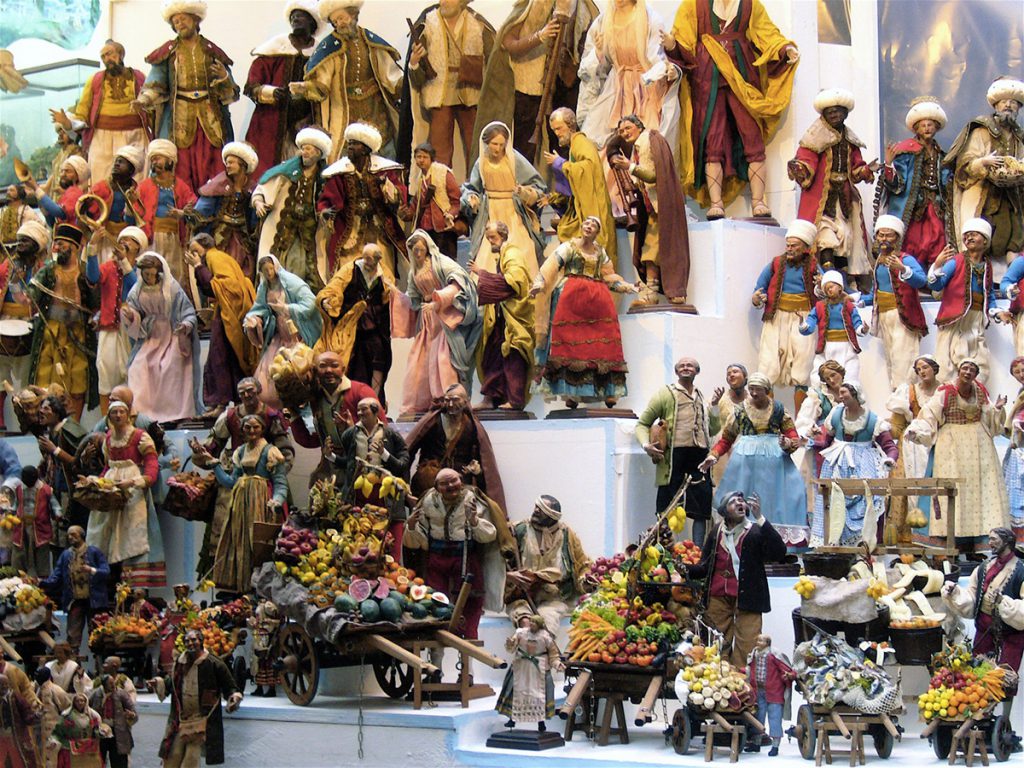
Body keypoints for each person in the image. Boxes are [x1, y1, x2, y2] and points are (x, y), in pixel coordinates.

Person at [665, 0, 798, 219]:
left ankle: (758, 201)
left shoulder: (749, 4)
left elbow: (767, 34)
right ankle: (716, 203)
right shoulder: (693, 5)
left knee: (752, 136)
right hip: (707, 81)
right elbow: (683, 41)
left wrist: (785, 49)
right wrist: (672, 45)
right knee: (711, 139)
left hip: (743, 80)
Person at [191, 377, 293, 580]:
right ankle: (231, 577)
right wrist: (206, 455)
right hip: (236, 480)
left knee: (268, 534)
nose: (247, 395)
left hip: (267, 480)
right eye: (242, 392)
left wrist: (275, 472)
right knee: (226, 527)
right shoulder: (230, 417)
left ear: (258, 390)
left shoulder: (271, 415)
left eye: (250, 391)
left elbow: (285, 449)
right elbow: (214, 444)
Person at [135, 0, 240, 193]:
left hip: (210, 119)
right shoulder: (168, 52)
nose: (179, 24)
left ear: (195, 19)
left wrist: (224, 77)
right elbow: (156, 81)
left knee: (213, 161)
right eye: (175, 21)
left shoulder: (211, 50)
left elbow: (231, 93)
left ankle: (214, 209)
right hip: (178, 118)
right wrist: (144, 99)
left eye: (183, 19)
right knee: (180, 164)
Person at [474, 0, 598, 164]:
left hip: (564, 84)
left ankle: (565, 185)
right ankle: (526, 185)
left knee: (563, 142)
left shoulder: (583, 7)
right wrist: (539, 36)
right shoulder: (531, 5)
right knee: (525, 145)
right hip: (530, 85)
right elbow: (509, 42)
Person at [905, 359, 1009, 547]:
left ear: (976, 374)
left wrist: (998, 408)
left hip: (979, 445)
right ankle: (949, 541)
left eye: (972, 370)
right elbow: (929, 414)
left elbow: (989, 417)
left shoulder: (980, 391)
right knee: (952, 489)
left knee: (981, 489)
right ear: (959, 371)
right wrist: (917, 431)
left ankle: (979, 542)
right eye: (965, 368)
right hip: (951, 444)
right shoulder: (945, 391)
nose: (968, 372)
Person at [531, 216, 632, 408]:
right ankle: (572, 393)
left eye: (593, 225)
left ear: (597, 232)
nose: (589, 227)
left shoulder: (600, 252)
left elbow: (608, 275)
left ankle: (609, 391)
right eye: (587, 223)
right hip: (570, 299)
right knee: (569, 344)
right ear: (581, 227)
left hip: (598, 302)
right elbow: (552, 265)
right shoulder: (569, 247)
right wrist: (540, 283)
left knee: (602, 345)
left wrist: (624, 286)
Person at [698, 373, 808, 549]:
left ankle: (777, 545)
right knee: (743, 497)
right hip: (745, 464)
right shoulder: (740, 411)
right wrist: (713, 456)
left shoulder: (778, 409)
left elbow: (792, 435)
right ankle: (742, 542)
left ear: (767, 391)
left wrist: (788, 443)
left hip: (776, 464)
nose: (754, 394)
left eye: (758, 390)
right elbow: (727, 438)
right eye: (752, 390)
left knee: (786, 497)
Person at [404, 469, 511, 645]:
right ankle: (436, 644)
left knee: (471, 601)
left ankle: (468, 645)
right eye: (444, 484)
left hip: (466, 558)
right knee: (435, 601)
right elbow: (418, 539)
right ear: (437, 487)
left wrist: (474, 521)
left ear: (461, 481)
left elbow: (489, 534)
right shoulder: (428, 502)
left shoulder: (474, 500)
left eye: (454, 481)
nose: (450, 486)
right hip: (437, 559)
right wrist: (413, 526)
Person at [688, 492, 786, 667]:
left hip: (748, 598)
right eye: (733, 502)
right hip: (718, 597)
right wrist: (681, 569)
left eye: (742, 501)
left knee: (748, 646)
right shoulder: (716, 532)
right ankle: (719, 680)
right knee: (716, 645)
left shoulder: (755, 531)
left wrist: (761, 519)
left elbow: (779, 551)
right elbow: (704, 567)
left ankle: (742, 685)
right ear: (725, 511)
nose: (740, 504)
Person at [298, 0, 402, 161]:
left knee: (383, 147)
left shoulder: (370, 40)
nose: (339, 23)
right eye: (335, 21)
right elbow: (321, 81)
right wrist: (306, 88)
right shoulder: (329, 47)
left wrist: (403, 83)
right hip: (345, 110)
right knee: (346, 151)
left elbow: (389, 72)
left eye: (342, 17)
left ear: (353, 14)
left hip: (375, 107)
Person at [787, 88, 874, 278]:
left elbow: (856, 168)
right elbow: (805, 159)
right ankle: (827, 276)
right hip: (822, 197)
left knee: (846, 237)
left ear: (845, 113)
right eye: (830, 111)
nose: (834, 114)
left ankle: (844, 280)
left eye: (838, 111)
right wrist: (800, 168)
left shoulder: (850, 139)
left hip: (844, 197)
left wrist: (866, 171)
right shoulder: (815, 135)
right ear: (824, 114)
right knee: (825, 236)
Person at [401, 0, 496, 169]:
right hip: (439, 92)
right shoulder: (428, 24)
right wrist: (415, 61)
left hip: (470, 92)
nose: (443, 1)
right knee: (439, 147)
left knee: (475, 144)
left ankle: (476, 185)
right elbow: (417, 75)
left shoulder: (477, 23)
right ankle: (440, 186)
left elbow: (494, 61)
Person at [397, 230, 482, 416]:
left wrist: (438, 301)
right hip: (427, 321)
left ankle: (447, 397)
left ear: (427, 247)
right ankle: (423, 402)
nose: (418, 253)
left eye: (420, 249)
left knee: (442, 359)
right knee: (420, 360)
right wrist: (398, 296)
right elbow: (412, 296)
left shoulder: (440, 263)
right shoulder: (414, 271)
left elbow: (458, 283)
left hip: (444, 317)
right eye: (414, 250)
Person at [576, 0, 680, 152]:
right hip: (617, 88)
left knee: (646, 144)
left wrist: (665, 70)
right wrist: (599, 52)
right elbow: (591, 70)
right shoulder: (603, 21)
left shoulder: (650, 19)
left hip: (645, 88)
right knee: (603, 144)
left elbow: (657, 59)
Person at [612, 113, 691, 307]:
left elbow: (655, 176)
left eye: (628, 128)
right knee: (648, 250)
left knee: (651, 250)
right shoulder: (637, 147)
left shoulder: (649, 141)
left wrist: (630, 167)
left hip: (660, 206)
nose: (624, 133)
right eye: (621, 131)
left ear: (639, 126)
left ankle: (656, 292)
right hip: (651, 208)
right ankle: (651, 292)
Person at [202, 414, 287, 594]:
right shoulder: (240, 452)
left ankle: (260, 588)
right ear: (242, 430)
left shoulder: (270, 451)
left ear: (262, 429)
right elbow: (231, 481)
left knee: (256, 543)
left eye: (255, 427)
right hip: (240, 504)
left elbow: (280, 482)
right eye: (247, 427)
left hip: (261, 502)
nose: (252, 431)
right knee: (238, 541)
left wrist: (277, 500)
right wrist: (215, 466)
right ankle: (241, 586)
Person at [941, 527, 1024, 710]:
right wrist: (955, 592)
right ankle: (980, 711)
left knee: (1007, 678)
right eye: (990, 539)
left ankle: (1005, 720)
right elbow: (972, 595)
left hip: (1011, 633)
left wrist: (1003, 602)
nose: (990, 543)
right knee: (976, 671)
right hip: (984, 628)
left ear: (1007, 542)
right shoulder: (984, 568)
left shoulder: (1020, 570)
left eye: (994, 539)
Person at [636, 356, 716, 543]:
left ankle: (697, 552)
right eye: (682, 365)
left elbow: (713, 429)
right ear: (676, 371)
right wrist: (646, 445)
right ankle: (665, 549)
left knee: (701, 506)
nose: (686, 368)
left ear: (697, 371)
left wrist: (715, 408)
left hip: (700, 457)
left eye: (690, 365)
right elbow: (642, 423)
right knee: (667, 505)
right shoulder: (665, 394)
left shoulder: (701, 397)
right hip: (674, 457)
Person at [944, 76, 1024, 263]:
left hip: (1010, 196)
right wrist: (983, 162)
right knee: (981, 234)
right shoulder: (981, 130)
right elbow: (966, 162)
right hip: (984, 194)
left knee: (1013, 235)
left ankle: (1010, 279)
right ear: (996, 105)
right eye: (1004, 102)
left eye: (1013, 103)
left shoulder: (1019, 136)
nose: (1008, 106)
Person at [809, 382, 898, 547]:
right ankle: (834, 545)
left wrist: (890, 459)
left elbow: (889, 446)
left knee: (867, 501)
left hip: (864, 465)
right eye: (840, 393)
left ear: (856, 394)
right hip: (836, 464)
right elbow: (827, 441)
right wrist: (814, 440)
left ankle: (863, 546)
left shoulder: (873, 420)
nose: (840, 396)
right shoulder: (836, 415)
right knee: (832, 503)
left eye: (844, 393)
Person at [317, 122, 408, 280]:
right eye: (349, 143)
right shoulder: (341, 172)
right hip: (351, 228)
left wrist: (387, 187)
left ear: (366, 149)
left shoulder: (383, 170)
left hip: (378, 226)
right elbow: (328, 198)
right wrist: (325, 212)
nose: (350, 147)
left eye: (355, 144)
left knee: (384, 267)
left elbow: (398, 194)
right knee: (348, 269)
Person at [51, 39, 148, 186]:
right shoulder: (95, 80)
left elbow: (151, 105)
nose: (106, 59)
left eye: (109, 54)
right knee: (100, 181)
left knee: (137, 182)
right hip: (102, 139)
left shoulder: (139, 77)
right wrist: (68, 123)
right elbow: (82, 115)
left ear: (121, 54)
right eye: (103, 57)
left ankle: (135, 209)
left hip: (135, 136)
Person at [27, 224, 99, 421]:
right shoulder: (48, 271)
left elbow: (95, 300)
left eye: (61, 244)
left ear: (74, 246)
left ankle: (72, 426)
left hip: (79, 334)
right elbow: (29, 297)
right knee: (46, 379)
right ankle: (48, 422)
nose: (57, 248)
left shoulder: (85, 272)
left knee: (78, 382)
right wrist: (18, 285)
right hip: (51, 332)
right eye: (55, 243)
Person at [88, 400, 163, 585]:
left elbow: (152, 465)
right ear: (109, 417)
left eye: (122, 412)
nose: (118, 416)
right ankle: (108, 580)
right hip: (112, 491)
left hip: (134, 493)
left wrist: (137, 481)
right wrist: (98, 481)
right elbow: (108, 466)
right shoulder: (108, 438)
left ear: (128, 415)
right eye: (115, 413)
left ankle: (135, 584)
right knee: (105, 532)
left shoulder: (140, 436)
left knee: (133, 535)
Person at [243, 1, 321, 179]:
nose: (295, 19)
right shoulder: (275, 47)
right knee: (266, 168)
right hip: (272, 120)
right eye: (293, 17)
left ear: (312, 22)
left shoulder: (320, 52)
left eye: (300, 16)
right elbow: (252, 85)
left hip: (307, 120)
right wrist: (271, 92)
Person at [184, 234, 258, 418]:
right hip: (225, 312)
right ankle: (224, 402)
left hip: (229, 315)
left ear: (205, 246)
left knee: (220, 358)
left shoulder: (214, 257)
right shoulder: (215, 258)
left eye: (196, 250)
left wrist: (199, 267)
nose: (194, 254)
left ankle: (220, 403)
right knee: (224, 358)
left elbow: (225, 286)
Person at [123, 252, 202, 423]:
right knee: (138, 367)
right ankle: (143, 413)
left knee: (170, 367)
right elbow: (135, 314)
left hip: (171, 335)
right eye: (146, 274)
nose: (150, 278)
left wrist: (185, 325)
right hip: (150, 337)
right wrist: (131, 315)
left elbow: (188, 313)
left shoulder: (172, 289)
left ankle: (173, 413)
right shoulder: (136, 292)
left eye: (153, 274)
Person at [461, 121, 546, 280]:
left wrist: (524, 192)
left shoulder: (514, 159)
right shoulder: (481, 162)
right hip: (491, 212)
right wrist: (472, 199)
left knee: (522, 246)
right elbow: (472, 187)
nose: (498, 148)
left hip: (512, 212)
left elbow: (538, 186)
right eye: (494, 144)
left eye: (502, 144)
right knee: (487, 251)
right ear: (486, 142)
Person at [148, 628, 242, 768]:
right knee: (172, 758)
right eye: (187, 641)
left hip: (201, 722)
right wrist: (158, 683)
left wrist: (234, 697)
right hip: (181, 721)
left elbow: (230, 687)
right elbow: (171, 684)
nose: (190, 644)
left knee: (191, 761)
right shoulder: (180, 663)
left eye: (194, 640)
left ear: (201, 641)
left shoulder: (214, 664)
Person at [404, 383, 506, 511]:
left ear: (465, 401)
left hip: (459, 487)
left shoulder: (472, 426)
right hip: (432, 485)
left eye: (455, 400)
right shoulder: (433, 422)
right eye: (447, 400)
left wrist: (477, 471)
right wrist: (405, 484)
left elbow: (486, 464)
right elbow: (408, 451)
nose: (451, 404)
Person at [252, 127, 331, 290]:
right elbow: (261, 190)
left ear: (318, 152)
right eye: (303, 148)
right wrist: (258, 202)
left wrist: (325, 214)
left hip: (308, 235)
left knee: (304, 271)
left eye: (309, 149)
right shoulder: (286, 171)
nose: (305, 152)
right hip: (283, 230)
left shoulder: (324, 177)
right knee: (276, 268)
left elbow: (330, 201)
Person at [314, 243, 394, 402]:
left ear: (377, 260)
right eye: (365, 258)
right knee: (353, 362)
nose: (366, 262)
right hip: (351, 323)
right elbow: (331, 289)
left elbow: (390, 296)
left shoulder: (384, 274)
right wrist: (326, 302)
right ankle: (351, 400)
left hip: (375, 324)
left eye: (370, 259)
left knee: (379, 358)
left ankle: (375, 399)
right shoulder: (350, 270)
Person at [877, 98, 951, 271]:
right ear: (916, 128)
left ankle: (934, 273)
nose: (927, 128)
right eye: (923, 125)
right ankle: (912, 272)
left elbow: (946, 177)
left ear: (937, 127)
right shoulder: (906, 150)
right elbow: (896, 182)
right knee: (913, 238)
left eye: (930, 125)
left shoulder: (941, 154)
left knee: (937, 234)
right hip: (914, 204)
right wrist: (888, 165)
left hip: (935, 202)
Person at [286, 351, 380, 485]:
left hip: (363, 465)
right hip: (330, 467)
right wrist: (293, 414)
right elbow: (310, 440)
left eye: (334, 365)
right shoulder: (316, 398)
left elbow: (381, 431)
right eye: (323, 366)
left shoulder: (360, 391)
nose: (329, 370)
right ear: (315, 371)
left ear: (343, 369)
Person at [750, 219, 821, 399]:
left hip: (803, 318)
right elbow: (760, 286)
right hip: (776, 317)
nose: (789, 249)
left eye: (794, 246)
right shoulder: (776, 263)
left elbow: (827, 288)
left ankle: (802, 421)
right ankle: (768, 413)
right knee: (769, 363)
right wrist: (757, 298)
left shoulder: (813, 265)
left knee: (803, 364)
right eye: (788, 245)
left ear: (805, 247)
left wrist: (821, 285)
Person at [470, 221, 535, 411]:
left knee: (513, 355)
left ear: (503, 235)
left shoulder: (513, 253)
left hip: (514, 318)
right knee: (492, 354)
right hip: (501, 317)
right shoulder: (502, 255)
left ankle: (515, 400)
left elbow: (516, 282)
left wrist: (482, 275)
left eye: (493, 237)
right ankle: (491, 398)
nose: (491, 242)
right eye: (488, 238)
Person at [243, 254, 322, 409]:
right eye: (264, 271)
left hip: (295, 331)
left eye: (270, 269)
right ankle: (279, 405)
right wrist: (254, 318)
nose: (268, 273)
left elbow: (310, 303)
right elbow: (259, 308)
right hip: (279, 332)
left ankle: (300, 403)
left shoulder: (291, 283)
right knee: (271, 370)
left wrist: (287, 308)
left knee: (298, 366)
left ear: (276, 267)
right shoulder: (264, 287)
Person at [505, 495, 591, 635]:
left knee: (547, 624)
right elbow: (498, 561)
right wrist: (509, 576)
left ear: (553, 516)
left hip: (554, 598)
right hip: (521, 597)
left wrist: (586, 581)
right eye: (536, 507)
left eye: (542, 509)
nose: (536, 510)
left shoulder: (567, 535)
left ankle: (545, 653)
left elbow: (582, 565)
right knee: (525, 624)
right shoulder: (517, 530)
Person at [335, 397, 410, 557]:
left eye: (365, 409)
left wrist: (384, 454)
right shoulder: (350, 434)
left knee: (389, 540)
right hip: (360, 493)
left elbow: (403, 463)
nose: (360, 412)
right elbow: (348, 463)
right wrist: (330, 457)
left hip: (385, 493)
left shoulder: (390, 434)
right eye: (359, 409)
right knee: (361, 537)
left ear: (376, 411)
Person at [927, 218, 999, 382]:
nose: (969, 238)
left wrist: (996, 311)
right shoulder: (956, 260)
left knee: (978, 356)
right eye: (967, 236)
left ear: (985, 239)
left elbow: (989, 293)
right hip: (954, 318)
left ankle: (975, 394)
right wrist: (937, 265)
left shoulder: (987, 265)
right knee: (949, 358)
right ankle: (948, 393)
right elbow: (937, 284)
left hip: (976, 318)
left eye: (974, 235)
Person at [861, 215, 928, 389]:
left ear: (897, 238)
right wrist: (856, 299)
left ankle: (906, 403)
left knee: (904, 360)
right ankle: (898, 403)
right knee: (891, 360)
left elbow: (922, 280)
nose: (884, 239)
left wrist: (903, 269)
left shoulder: (905, 259)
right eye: (880, 235)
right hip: (884, 316)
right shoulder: (879, 262)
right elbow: (877, 289)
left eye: (888, 235)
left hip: (903, 317)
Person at [85, 226, 145, 415]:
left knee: (132, 373)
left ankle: (133, 416)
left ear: (138, 247)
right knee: (106, 371)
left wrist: (125, 264)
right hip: (109, 327)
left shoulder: (142, 269)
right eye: (122, 239)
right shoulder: (109, 267)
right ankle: (107, 418)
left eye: (130, 240)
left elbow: (135, 287)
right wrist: (93, 248)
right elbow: (92, 277)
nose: (124, 242)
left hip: (132, 328)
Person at [544, 108, 616, 258]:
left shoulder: (581, 143)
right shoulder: (574, 146)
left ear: (570, 125)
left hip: (592, 205)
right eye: (554, 130)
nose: (557, 133)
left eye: (559, 128)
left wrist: (561, 164)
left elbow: (588, 169)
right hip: (581, 206)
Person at [0, 220, 49, 431]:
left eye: (25, 241)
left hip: (30, 325)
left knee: (24, 375)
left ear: (36, 244)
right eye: (19, 240)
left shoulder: (44, 268)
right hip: (5, 322)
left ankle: (24, 417)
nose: (19, 245)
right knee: (1, 374)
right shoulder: (7, 266)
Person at [886, 355, 941, 543]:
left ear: (934, 368)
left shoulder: (944, 391)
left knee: (936, 489)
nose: (922, 372)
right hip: (909, 446)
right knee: (904, 489)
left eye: (925, 367)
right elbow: (897, 427)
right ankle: (907, 541)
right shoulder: (908, 392)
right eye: (918, 369)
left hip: (937, 442)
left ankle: (936, 538)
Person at [188, 141, 260, 281]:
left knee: (244, 268)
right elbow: (202, 209)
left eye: (232, 162)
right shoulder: (219, 184)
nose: (228, 165)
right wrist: (192, 216)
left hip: (242, 237)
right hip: (222, 235)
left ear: (243, 165)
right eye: (227, 162)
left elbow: (254, 218)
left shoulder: (252, 188)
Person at [136, 140, 196, 289]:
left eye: (158, 158)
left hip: (174, 237)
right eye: (153, 159)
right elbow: (136, 209)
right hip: (153, 235)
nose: (154, 162)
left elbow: (193, 203)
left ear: (170, 161)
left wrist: (182, 213)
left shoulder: (180, 185)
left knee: (173, 271)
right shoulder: (144, 186)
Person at [41, 528, 109, 653]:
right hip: (74, 601)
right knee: (73, 634)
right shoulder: (66, 555)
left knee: (97, 633)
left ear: (82, 535)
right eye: (68, 535)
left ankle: (100, 665)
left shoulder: (94, 552)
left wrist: (91, 570)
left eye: (73, 534)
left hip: (94, 601)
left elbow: (105, 572)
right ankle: (74, 664)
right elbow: (56, 577)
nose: (70, 537)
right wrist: (40, 582)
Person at [799, 270, 869, 384]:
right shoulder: (820, 306)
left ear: (840, 287)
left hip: (846, 347)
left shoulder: (848, 306)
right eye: (826, 289)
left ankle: (848, 394)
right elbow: (811, 322)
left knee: (850, 374)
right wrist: (803, 324)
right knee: (818, 376)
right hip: (826, 347)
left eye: (831, 287)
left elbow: (857, 322)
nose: (829, 290)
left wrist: (862, 329)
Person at [495, 614, 562, 732]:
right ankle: (512, 719)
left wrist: (556, 663)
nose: (531, 624)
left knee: (540, 696)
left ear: (540, 625)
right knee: (517, 692)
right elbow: (511, 649)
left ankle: (541, 723)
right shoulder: (521, 633)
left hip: (538, 670)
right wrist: (510, 643)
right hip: (521, 668)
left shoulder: (546, 637)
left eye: (534, 623)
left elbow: (553, 654)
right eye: (531, 622)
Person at [399, 143, 461, 259]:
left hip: (443, 226)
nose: (421, 160)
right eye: (418, 157)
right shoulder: (420, 178)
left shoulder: (442, 173)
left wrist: (451, 214)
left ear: (431, 158)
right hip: (426, 228)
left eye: (425, 157)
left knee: (445, 260)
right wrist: (405, 214)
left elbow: (456, 200)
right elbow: (416, 205)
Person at [35, 395, 88, 529]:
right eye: (41, 408)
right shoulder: (50, 432)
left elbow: (81, 462)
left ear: (57, 413)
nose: (41, 411)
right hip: (57, 486)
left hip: (71, 489)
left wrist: (55, 450)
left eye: (46, 408)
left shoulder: (70, 430)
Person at [86, 145, 149, 250]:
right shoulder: (101, 187)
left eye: (121, 162)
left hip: (127, 241)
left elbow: (135, 222)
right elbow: (89, 216)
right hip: (105, 240)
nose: (117, 164)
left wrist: (131, 205)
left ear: (131, 170)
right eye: (116, 161)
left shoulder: (137, 191)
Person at [744, 635, 795, 756]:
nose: (758, 642)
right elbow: (749, 669)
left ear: (767, 643)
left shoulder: (774, 655)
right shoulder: (754, 654)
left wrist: (790, 675)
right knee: (758, 717)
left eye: (761, 640)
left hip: (774, 692)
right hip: (758, 692)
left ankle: (775, 746)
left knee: (775, 719)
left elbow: (785, 668)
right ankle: (756, 744)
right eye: (757, 639)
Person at [9, 465, 59, 578]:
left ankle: (42, 581)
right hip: (21, 528)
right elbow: (16, 504)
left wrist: (57, 513)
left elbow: (54, 504)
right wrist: (10, 513)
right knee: (20, 553)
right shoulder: (19, 488)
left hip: (40, 529)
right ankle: (18, 580)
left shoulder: (46, 489)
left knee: (41, 555)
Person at [708, 363, 748, 486]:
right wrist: (714, 404)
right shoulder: (719, 399)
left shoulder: (753, 399)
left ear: (745, 377)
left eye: (735, 372)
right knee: (722, 485)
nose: (731, 375)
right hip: (723, 447)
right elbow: (711, 425)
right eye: (728, 373)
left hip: (746, 448)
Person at [0, 660, 42, 768]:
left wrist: (34, 716)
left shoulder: (15, 697)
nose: (3, 687)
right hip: (1, 737)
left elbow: (26, 712)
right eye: (1, 685)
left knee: (18, 759)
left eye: (5, 684)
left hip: (16, 736)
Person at [87, 675, 135, 768]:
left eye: (113, 683)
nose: (113, 685)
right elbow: (87, 707)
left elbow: (132, 710)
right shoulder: (96, 694)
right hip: (100, 731)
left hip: (118, 731)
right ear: (104, 685)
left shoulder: (122, 694)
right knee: (98, 759)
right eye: (110, 683)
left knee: (119, 761)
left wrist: (131, 715)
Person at [28, 155, 88, 227]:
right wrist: (47, 213)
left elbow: (60, 213)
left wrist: (36, 188)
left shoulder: (76, 192)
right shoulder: (69, 192)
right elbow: (54, 224)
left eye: (68, 171)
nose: (63, 174)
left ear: (78, 174)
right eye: (62, 171)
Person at [1003, 358, 1024, 536]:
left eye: (1023, 370)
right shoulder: (1020, 392)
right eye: (1017, 372)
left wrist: (1018, 419)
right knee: (1017, 485)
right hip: (1019, 443)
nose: (1021, 375)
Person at [36, 666, 72, 768]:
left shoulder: (56, 690)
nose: (36, 677)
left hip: (53, 731)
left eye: (39, 675)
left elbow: (68, 707)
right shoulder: (36, 689)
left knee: (53, 759)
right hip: (39, 731)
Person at [247, 601, 281, 698]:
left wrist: (268, 622)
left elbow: (276, 619)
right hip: (258, 634)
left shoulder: (270, 605)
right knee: (256, 661)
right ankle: (259, 686)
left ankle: (271, 688)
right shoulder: (259, 605)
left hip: (266, 635)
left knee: (267, 660)